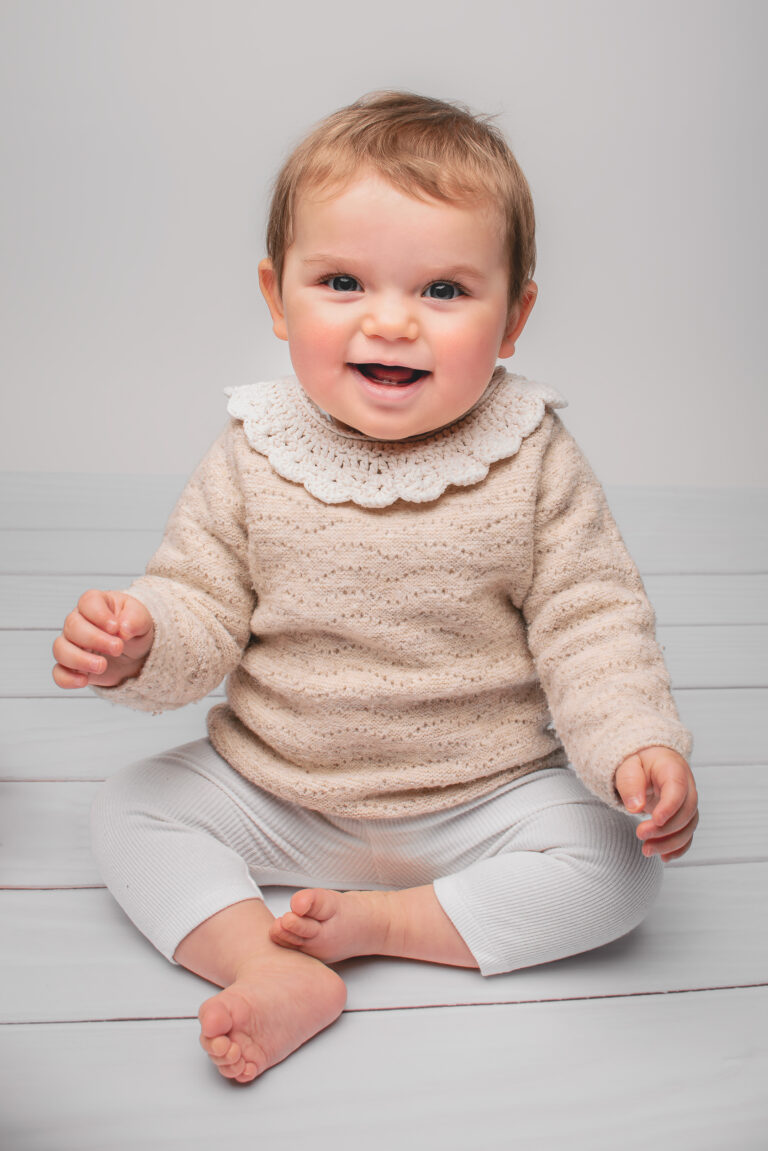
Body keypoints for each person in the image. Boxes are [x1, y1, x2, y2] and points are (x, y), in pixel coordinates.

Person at [52, 91, 699, 1085]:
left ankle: (389, 923)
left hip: (482, 795)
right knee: (129, 809)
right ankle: (264, 961)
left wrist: (633, 744)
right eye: (343, 281)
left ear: (515, 313)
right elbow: (203, 599)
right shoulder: (253, 452)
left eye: (444, 291)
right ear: (277, 297)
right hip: (281, 788)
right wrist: (145, 636)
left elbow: (591, 619)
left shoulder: (531, 457)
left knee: (618, 866)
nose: (391, 321)